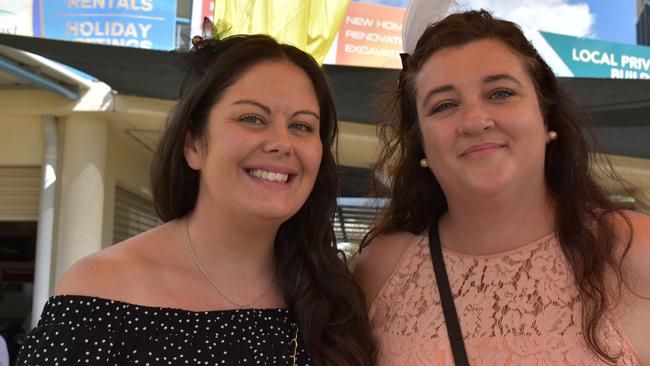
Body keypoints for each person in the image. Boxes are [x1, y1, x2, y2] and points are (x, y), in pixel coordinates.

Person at [17, 31, 374, 365]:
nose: (281, 143)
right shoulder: (98, 293)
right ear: (193, 144)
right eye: (252, 118)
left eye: (302, 126)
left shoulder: (335, 297)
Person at [354, 9, 650, 365]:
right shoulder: (380, 272)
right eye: (444, 105)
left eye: (500, 93)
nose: (475, 121)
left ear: (546, 118)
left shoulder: (635, 251)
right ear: (422, 145)